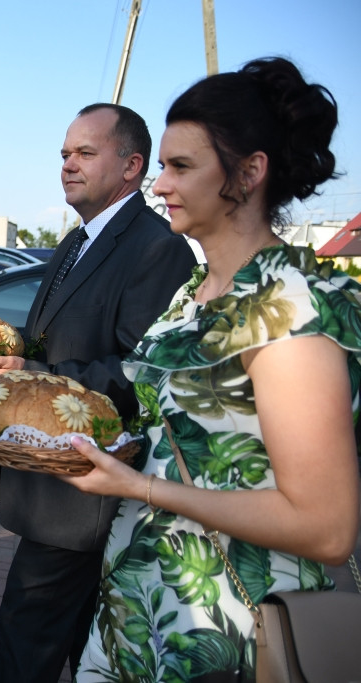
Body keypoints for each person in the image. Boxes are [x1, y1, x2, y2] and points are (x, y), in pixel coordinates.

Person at [58, 58, 359, 681]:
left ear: (250, 172)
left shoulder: (288, 305)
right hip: (141, 613)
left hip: (227, 632)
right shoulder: (195, 292)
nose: (160, 184)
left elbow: (327, 528)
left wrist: (137, 487)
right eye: (162, 164)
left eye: (181, 167)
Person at [0, 104, 197, 682]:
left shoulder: (156, 247)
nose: (68, 165)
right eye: (64, 154)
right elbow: (52, 342)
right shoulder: (73, 243)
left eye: (85, 153)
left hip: (85, 492)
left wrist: (36, 376)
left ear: (131, 166)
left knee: (26, 636)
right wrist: (10, 361)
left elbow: (142, 369)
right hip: (52, 485)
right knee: (83, 644)